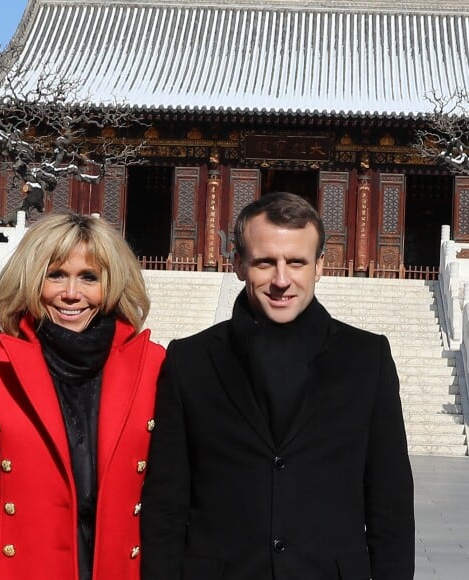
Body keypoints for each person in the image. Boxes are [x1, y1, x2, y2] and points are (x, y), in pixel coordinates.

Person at [140, 192, 415, 579]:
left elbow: (391, 503)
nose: (281, 280)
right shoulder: (190, 360)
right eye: (266, 262)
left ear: (320, 266)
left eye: (296, 262)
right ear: (238, 264)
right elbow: (166, 504)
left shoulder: (367, 358)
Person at [0, 211, 165, 580]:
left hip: (117, 566)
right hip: (17, 567)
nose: (70, 293)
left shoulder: (154, 365)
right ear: (33, 279)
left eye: (89, 278)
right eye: (56, 275)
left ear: (111, 283)